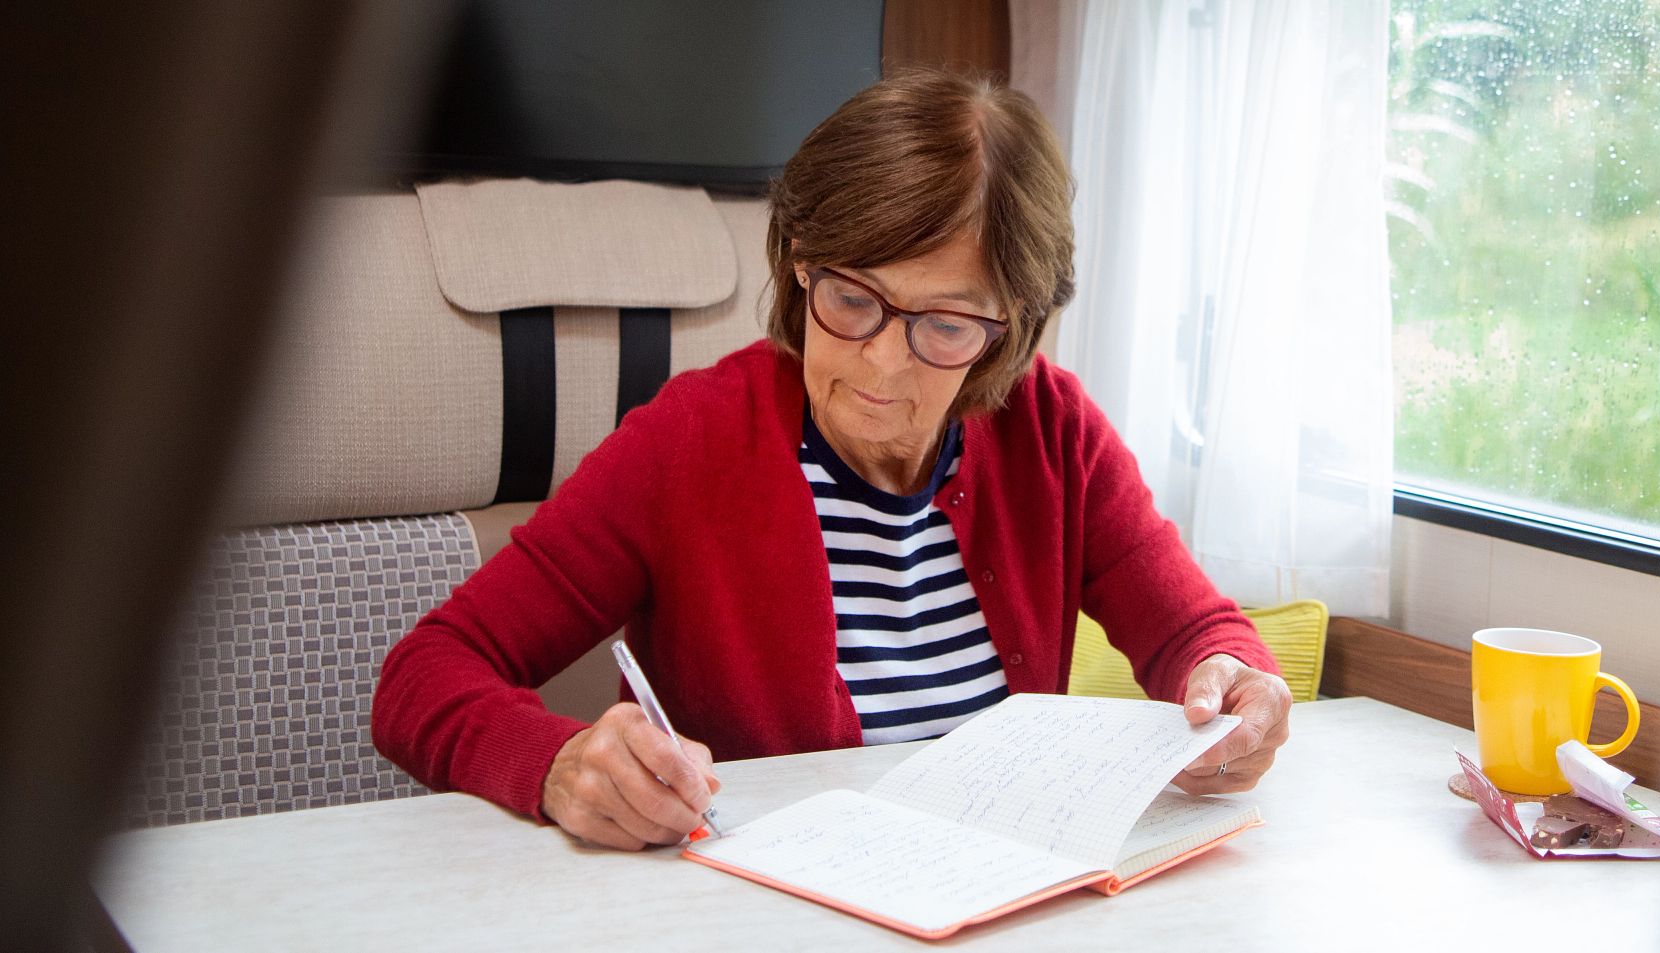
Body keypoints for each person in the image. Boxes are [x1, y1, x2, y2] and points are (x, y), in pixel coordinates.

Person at [372, 67, 1292, 851]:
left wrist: (1235, 686)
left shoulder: (1051, 430)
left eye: (943, 325)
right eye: (852, 297)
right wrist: (555, 762)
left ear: (1009, 327)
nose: (882, 361)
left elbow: (1191, 636)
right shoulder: (689, 441)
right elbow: (427, 673)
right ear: (800, 262)